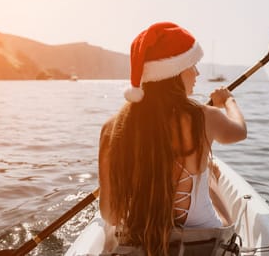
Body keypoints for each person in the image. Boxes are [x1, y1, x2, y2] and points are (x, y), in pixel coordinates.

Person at [98, 22, 247, 256]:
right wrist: (228, 100)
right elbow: (239, 131)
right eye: (192, 65)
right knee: (210, 173)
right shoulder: (205, 117)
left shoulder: (112, 128)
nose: (197, 73)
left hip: (137, 242)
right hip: (203, 243)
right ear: (174, 73)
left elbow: (110, 215)